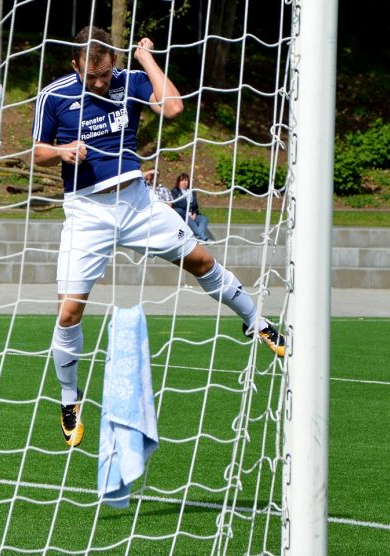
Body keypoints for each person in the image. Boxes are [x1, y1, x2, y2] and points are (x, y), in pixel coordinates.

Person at [31, 26, 285, 448]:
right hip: (88, 211)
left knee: (201, 260)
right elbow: (36, 151)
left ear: (114, 62)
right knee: (69, 313)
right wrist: (61, 151)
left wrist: (145, 58)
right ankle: (70, 400)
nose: (100, 82)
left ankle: (257, 322)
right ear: (74, 64)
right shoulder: (54, 95)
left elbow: (173, 108)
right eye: (91, 76)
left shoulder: (127, 82)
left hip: (138, 202)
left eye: (105, 73)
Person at [170, 173, 212, 241]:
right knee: (187, 218)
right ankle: (203, 237)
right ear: (178, 182)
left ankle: (198, 235)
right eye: (182, 180)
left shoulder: (192, 191)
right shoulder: (175, 191)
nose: (184, 182)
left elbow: (195, 205)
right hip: (183, 215)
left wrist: (194, 212)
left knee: (204, 218)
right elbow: (178, 204)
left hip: (192, 214)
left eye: (186, 180)